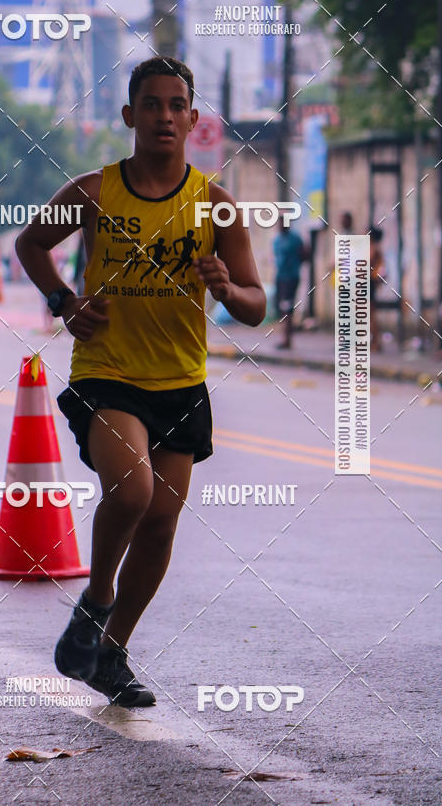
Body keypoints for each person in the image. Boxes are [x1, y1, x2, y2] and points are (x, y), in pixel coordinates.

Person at [15, 56, 266, 707]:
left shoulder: (215, 205)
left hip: (180, 382)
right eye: (149, 104)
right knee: (131, 491)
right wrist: (66, 303)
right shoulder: (95, 191)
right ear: (130, 116)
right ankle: (96, 603)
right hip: (109, 373)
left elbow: (257, 304)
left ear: (193, 119)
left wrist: (227, 286)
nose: (163, 115)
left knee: (159, 525)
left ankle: (111, 652)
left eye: (175, 104)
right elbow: (31, 244)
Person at [273, 215, 306, 349]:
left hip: (291, 277)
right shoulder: (277, 240)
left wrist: (295, 264)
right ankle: (285, 337)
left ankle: (287, 339)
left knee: (287, 308)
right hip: (280, 277)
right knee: (281, 308)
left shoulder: (295, 239)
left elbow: (304, 254)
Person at [369, 225, 385, 352]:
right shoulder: (374, 249)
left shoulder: (372, 249)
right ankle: (374, 341)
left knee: (369, 314)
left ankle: (376, 342)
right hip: (369, 283)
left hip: (368, 283)